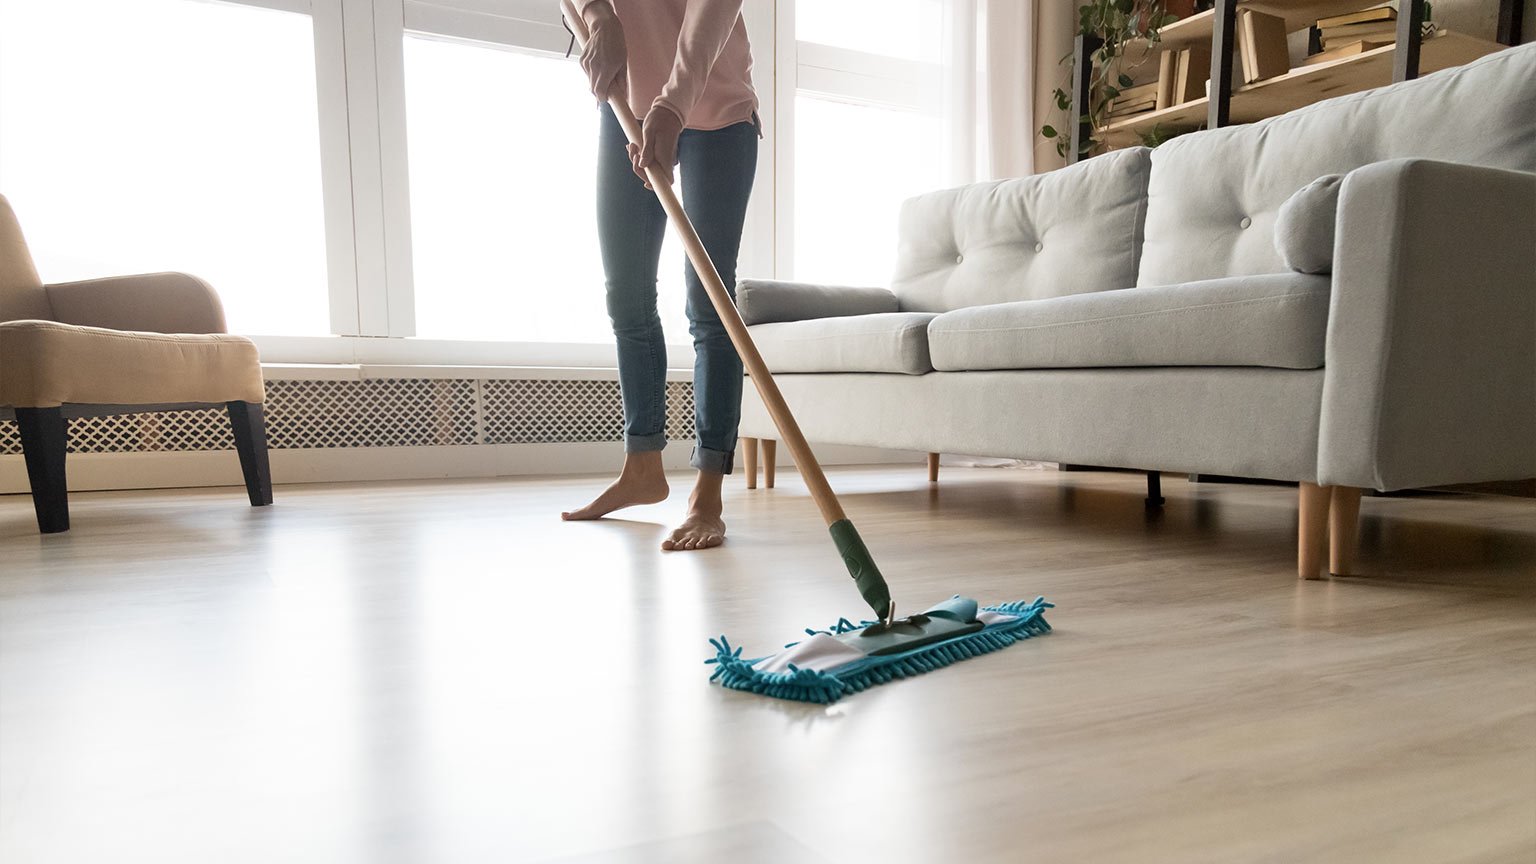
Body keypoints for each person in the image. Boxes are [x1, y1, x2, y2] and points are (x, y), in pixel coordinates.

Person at [559, 0, 759, 551]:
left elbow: (712, 13)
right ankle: (642, 467)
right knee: (625, 293)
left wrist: (672, 105)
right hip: (629, 103)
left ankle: (708, 492)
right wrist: (599, 19)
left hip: (717, 111)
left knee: (709, 301)